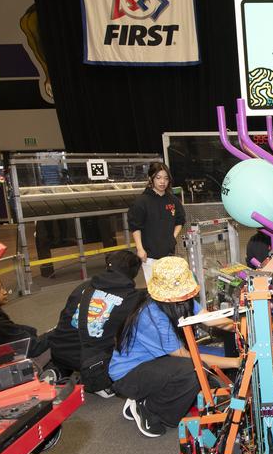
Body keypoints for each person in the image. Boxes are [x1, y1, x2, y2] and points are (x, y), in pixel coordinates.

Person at [108, 257, 240, 438]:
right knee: (193, 372)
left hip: (155, 365)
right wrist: (235, 362)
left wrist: (238, 326)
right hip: (129, 374)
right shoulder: (152, 316)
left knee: (210, 385)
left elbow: (209, 318)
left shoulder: (179, 299)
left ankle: (147, 396)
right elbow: (185, 355)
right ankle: (149, 409)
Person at [31, 249, 143, 395]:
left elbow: (65, 316)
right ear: (133, 273)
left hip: (59, 349)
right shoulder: (132, 298)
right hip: (90, 362)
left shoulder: (83, 287)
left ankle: (59, 371)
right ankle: (99, 379)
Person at [128, 162, 186, 284]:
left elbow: (180, 220)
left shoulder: (173, 200)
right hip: (149, 255)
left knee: (169, 287)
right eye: (158, 178)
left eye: (165, 178)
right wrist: (140, 249)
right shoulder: (141, 201)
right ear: (151, 179)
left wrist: (172, 237)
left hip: (169, 254)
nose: (162, 182)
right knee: (154, 289)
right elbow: (135, 226)